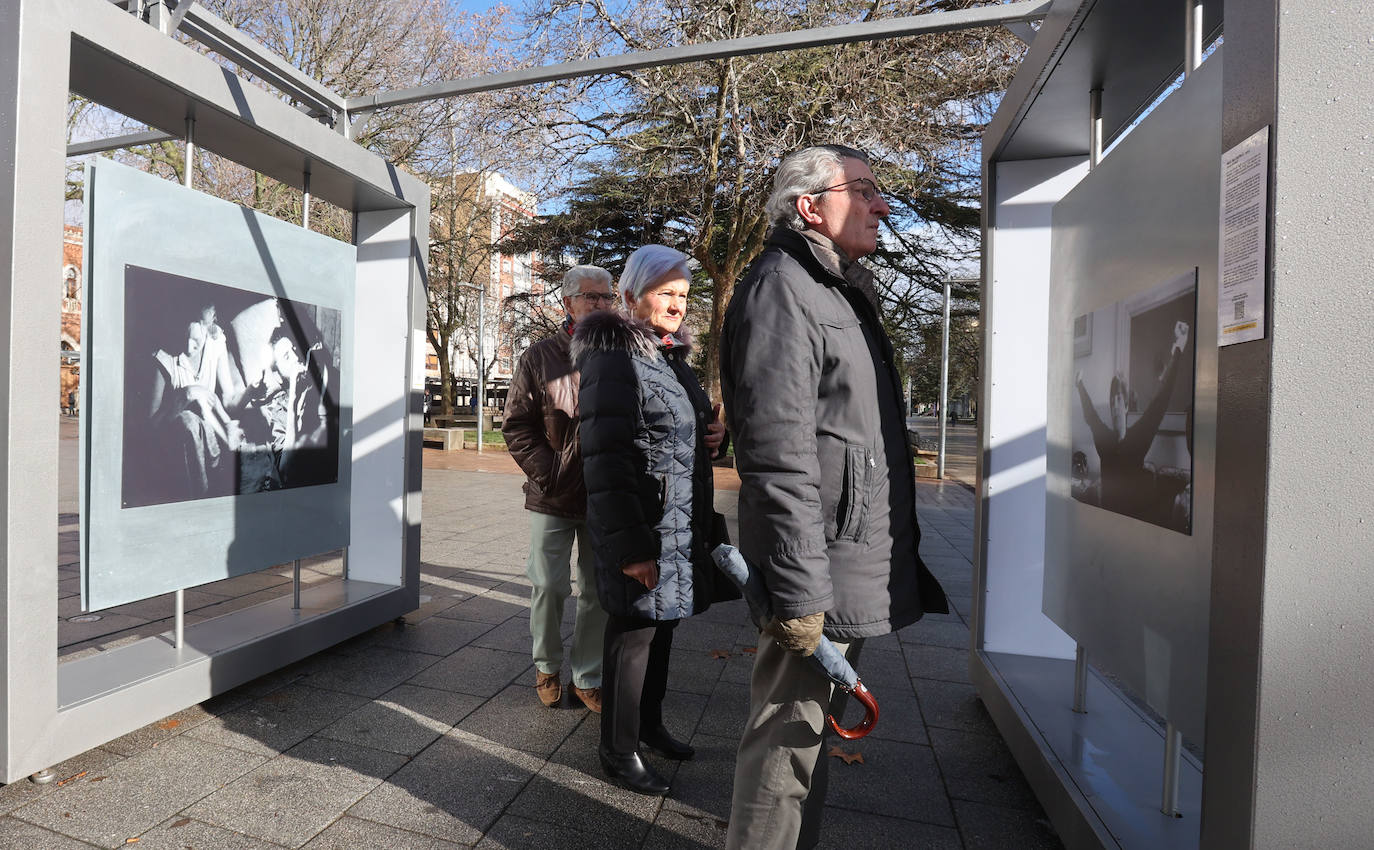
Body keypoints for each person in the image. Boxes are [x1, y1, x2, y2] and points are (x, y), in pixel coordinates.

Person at [719, 144, 949, 849]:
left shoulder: (831, 286)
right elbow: (777, 456)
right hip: (815, 571)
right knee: (786, 750)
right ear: (810, 206)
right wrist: (797, 592)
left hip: (838, 561)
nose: (883, 205)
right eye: (865, 190)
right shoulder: (782, 288)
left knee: (808, 751)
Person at [573, 244, 731, 796]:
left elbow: (683, 431)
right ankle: (617, 750)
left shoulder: (668, 355)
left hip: (677, 522)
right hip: (643, 525)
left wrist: (716, 436)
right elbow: (607, 458)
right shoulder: (613, 358)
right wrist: (632, 547)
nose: (677, 305)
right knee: (632, 635)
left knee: (663, 627)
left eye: (684, 295)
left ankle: (649, 725)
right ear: (631, 295)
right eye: (666, 293)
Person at [502, 265, 617, 713]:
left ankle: (587, 676)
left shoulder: (620, 353)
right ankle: (546, 666)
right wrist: (549, 473)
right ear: (568, 302)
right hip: (552, 494)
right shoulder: (540, 357)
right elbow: (516, 426)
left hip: (603, 495)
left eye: (607, 297)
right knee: (549, 585)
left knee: (595, 592)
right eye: (592, 297)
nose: (601, 305)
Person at [1075, 319, 1190, 522]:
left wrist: (1178, 350)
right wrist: (1079, 385)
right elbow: (1090, 414)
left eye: (1119, 399)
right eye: (1112, 400)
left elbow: (1160, 402)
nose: (1115, 405)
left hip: (1136, 518)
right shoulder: (1104, 439)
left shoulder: (1139, 436)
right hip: (1109, 519)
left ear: (1127, 405)